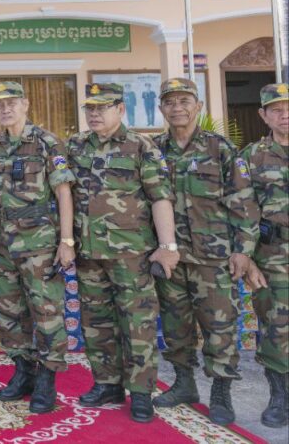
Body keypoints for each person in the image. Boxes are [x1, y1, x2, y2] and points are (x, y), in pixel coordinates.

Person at [67, 83, 179, 423]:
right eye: (90, 108)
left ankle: (141, 392)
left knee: (137, 323)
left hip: (131, 254)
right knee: (96, 322)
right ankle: (107, 384)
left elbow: (160, 196)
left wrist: (168, 246)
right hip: (89, 253)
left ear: (120, 109)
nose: (94, 114)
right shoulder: (75, 146)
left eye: (102, 107)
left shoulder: (141, 146)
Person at [152, 77, 259, 425]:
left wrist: (243, 251)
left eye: (184, 101)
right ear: (161, 108)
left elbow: (243, 202)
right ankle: (184, 384)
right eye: (170, 102)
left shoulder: (220, 148)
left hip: (214, 258)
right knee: (175, 325)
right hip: (172, 257)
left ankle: (221, 392)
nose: (177, 108)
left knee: (220, 325)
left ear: (198, 106)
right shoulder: (153, 151)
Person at [0, 81, 73, 414]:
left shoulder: (46, 142)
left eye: (11, 103)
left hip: (39, 244)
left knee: (46, 311)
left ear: (25, 105)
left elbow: (63, 193)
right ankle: (24, 371)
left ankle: (47, 377)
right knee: (9, 312)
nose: (5, 109)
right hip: (2, 244)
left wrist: (67, 241)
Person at [240, 82, 288, 428]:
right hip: (273, 257)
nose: (285, 116)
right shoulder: (251, 156)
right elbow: (242, 210)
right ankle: (280, 397)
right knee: (276, 327)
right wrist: (248, 259)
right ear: (263, 115)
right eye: (277, 110)